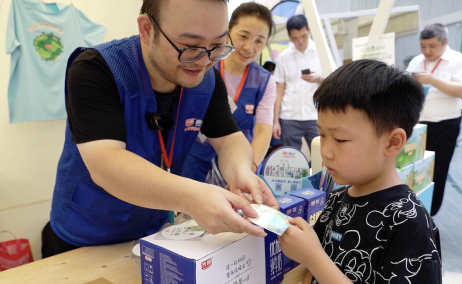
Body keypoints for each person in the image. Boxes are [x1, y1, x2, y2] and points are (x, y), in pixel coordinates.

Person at [42, 0, 278, 258]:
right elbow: (104, 162)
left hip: (154, 232)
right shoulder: (95, 69)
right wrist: (193, 196)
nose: (204, 60)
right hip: (86, 236)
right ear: (146, 29)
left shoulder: (207, 80)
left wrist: (241, 171)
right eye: (190, 46)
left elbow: (230, 139)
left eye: (217, 46)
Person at [278, 60, 442, 284]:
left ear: (392, 142)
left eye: (340, 139)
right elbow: (312, 274)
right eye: (322, 135)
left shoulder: (410, 223)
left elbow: (317, 261)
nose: (326, 152)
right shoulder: (335, 200)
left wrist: (313, 257)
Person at [181, 3, 276, 181]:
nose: (249, 47)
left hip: (238, 162)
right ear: (227, 31)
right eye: (243, 36)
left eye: (259, 41)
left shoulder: (264, 81)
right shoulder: (204, 65)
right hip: (194, 158)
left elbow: (263, 130)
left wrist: (248, 170)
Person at [406, 23, 462, 216]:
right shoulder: (417, 61)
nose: (427, 51)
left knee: (437, 171)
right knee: (412, 168)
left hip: (445, 126)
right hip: (417, 125)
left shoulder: (458, 60)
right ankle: (410, 211)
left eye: (432, 46)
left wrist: (432, 80)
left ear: (445, 42)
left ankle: (429, 215)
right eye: (423, 46)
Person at [272, 14, 334, 151]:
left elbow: (334, 83)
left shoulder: (322, 52)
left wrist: (318, 79)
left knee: (322, 153)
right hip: (289, 115)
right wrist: (275, 121)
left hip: (315, 114)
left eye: (304, 36)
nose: (300, 41)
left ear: (309, 30)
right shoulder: (284, 57)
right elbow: (279, 90)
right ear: (289, 36)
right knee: (290, 157)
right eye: (295, 37)